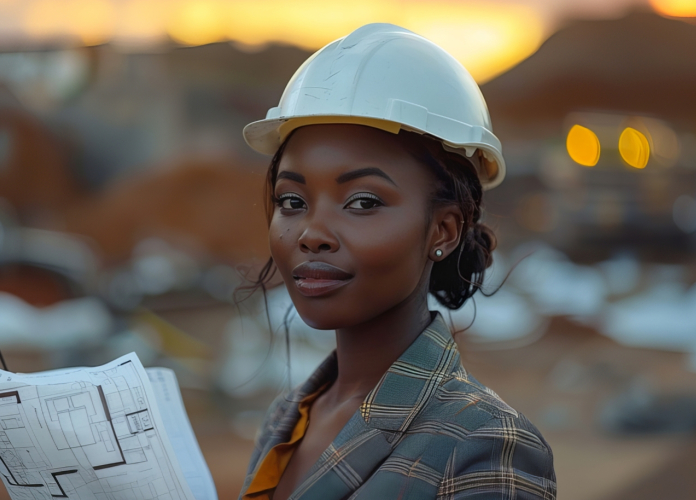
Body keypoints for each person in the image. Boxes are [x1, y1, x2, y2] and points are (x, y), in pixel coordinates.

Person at [236, 23, 556, 500]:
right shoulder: (284, 421)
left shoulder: (484, 446)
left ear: (442, 231)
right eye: (292, 201)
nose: (311, 234)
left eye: (363, 202)